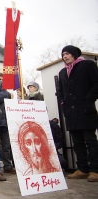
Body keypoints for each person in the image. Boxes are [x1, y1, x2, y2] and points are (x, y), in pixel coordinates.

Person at [57, 45, 98, 182]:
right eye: (63, 54)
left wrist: (88, 100)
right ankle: (82, 169)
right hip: (71, 112)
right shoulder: (63, 72)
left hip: (85, 110)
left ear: (74, 54)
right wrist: (64, 104)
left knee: (90, 141)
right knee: (77, 142)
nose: (65, 56)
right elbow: (60, 91)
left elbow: (96, 84)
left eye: (67, 53)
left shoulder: (87, 65)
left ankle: (95, 170)